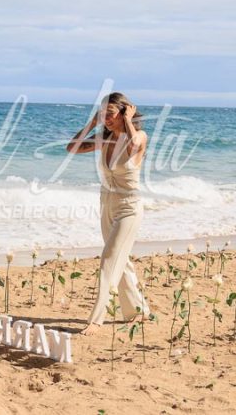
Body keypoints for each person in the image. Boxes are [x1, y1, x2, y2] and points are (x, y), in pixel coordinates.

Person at [66, 92, 150, 336]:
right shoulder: (103, 138)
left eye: (110, 114)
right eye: (102, 114)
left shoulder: (139, 136)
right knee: (120, 261)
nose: (106, 119)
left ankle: (96, 320)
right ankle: (139, 310)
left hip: (129, 207)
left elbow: (134, 146)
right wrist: (91, 125)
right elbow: (71, 148)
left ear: (124, 112)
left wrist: (128, 122)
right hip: (107, 204)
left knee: (108, 260)